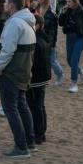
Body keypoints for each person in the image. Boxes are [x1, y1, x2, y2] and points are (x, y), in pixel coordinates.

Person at [0, 0, 37, 158]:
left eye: (6, 2)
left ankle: (21, 146)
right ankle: (30, 141)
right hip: (24, 70)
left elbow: (7, 50)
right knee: (22, 106)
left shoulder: (14, 23)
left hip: (12, 72)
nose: (4, 4)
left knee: (10, 108)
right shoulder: (28, 22)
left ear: (12, 5)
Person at [58, 0, 83, 93]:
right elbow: (60, 23)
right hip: (69, 37)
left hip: (80, 37)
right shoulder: (66, 11)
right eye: (66, 1)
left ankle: (73, 83)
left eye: (69, 1)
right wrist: (63, 13)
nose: (67, 3)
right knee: (69, 60)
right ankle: (81, 71)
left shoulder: (80, 11)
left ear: (75, 2)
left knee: (74, 60)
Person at [29, 13, 51, 145]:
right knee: (40, 106)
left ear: (38, 25)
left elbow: (34, 62)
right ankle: (41, 133)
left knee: (36, 106)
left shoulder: (36, 41)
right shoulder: (44, 38)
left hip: (37, 77)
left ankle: (38, 134)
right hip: (43, 76)